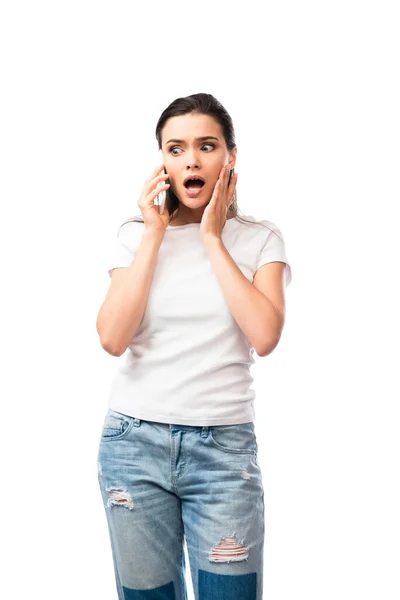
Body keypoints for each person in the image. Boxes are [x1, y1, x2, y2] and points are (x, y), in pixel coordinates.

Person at [96, 92, 292, 600]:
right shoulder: (135, 236)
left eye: (207, 145)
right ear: (162, 161)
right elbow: (113, 337)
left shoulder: (259, 239)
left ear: (231, 156)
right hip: (133, 446)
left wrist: (211, 238)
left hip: (223, 455)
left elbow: (265, 336)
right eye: (176, 148)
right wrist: (155, 235)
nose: (192, 159)